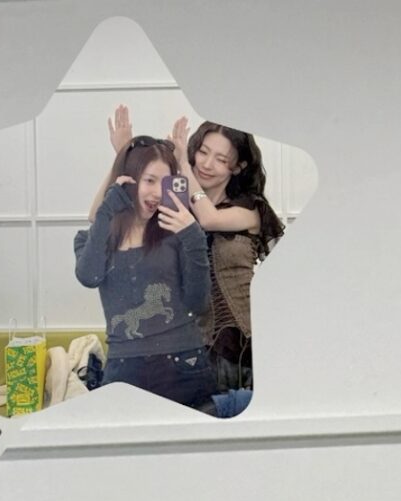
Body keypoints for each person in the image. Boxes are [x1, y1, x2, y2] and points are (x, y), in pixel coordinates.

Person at [74, 137, 215, 409]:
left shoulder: (178, 235)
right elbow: (88, 277)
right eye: (150, 180)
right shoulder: (92, 238)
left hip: (184, 364)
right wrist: (106, 212)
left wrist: (194, 238)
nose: (158, 193)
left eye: (165, 183)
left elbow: (199, 303)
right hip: (124, 369)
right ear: (128, 181)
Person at [171, 115, 286, 390]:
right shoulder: (176, 209)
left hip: (243, 345)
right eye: (202, 152)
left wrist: (183, 166)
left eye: (221, 159)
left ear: (238, 167)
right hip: (188, 344)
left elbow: (209, 219)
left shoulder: (250, 209)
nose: (206, 164)